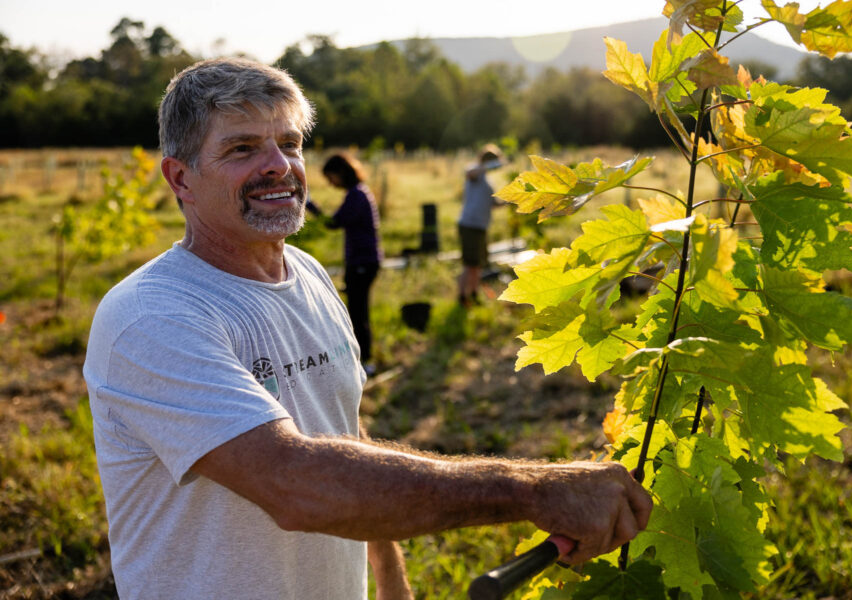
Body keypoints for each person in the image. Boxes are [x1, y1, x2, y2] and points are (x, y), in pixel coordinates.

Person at [83, 57, 652, 600]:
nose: (279, 165)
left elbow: (344, 439)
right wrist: (533, 490)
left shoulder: (307, 273)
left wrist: (388, 576)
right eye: (242, 148)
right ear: (180, 178)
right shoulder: (151, 316)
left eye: (289, 144)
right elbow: (295, 483)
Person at [306, 153, 382, 376]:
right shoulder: (358, 193)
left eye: (331, 178)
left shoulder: (357, 196)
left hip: (362, 263)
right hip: (363, 261)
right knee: (357, 312)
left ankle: (366, 362)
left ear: (340, 173)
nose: (331, 183)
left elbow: (333, 223)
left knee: (358, 314)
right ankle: (361, 359)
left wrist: (309, 203)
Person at [457, 143, 506, 306]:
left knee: (477, 264)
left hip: (481, 226)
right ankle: (462, 296)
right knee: (469, 264)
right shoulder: (475, 171)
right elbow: (470, 174)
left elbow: (494, 203)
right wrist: (486, 167)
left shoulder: (488, 181)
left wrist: (510, 201)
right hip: (470, 224)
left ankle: (474, 293)